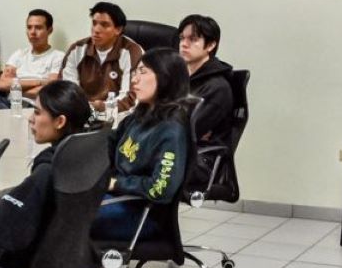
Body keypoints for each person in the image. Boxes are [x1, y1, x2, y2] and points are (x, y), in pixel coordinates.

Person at [0, 80, 94, 268]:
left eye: (38, 113)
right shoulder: (85, 154)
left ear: (59, 121)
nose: (31, 119)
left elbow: (6, 233)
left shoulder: (48, 170)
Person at [93, 49, 192, 240]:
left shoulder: (171, 128)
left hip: (143, 213)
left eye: (143, 72)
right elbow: (109, 144)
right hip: (119, 199)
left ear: (166, 77)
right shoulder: (138, 117)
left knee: (68, 215)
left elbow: (161, 188)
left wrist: (116, 184)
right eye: (135, 72)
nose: (135, 80)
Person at [60, 1, 142, 111]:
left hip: (117, 116)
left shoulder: (132, 52)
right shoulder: (76, 50)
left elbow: (131, 98)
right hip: (81, 114)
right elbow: (67, 90)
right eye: (94, 23)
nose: (96, 30)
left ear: (118, 30)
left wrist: (103, 107)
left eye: (104, 25)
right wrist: (85, 109)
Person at [177, 14, 235, 146]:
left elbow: (186, 133)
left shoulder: (217, 88)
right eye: (182, 38)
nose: (184, 44)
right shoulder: (177, 77)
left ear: (210, 45)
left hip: (198, 159)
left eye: (193, 39)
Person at [0, 8, 63, 100]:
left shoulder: (58, 57)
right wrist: (40, 82)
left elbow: (50, 90)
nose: (33, 32)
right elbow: (2, 85)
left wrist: (16, 89)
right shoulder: (18, 54)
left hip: (38, 107)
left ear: (50, 30)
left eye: (38, 27)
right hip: (9, 105)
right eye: (29, 27)